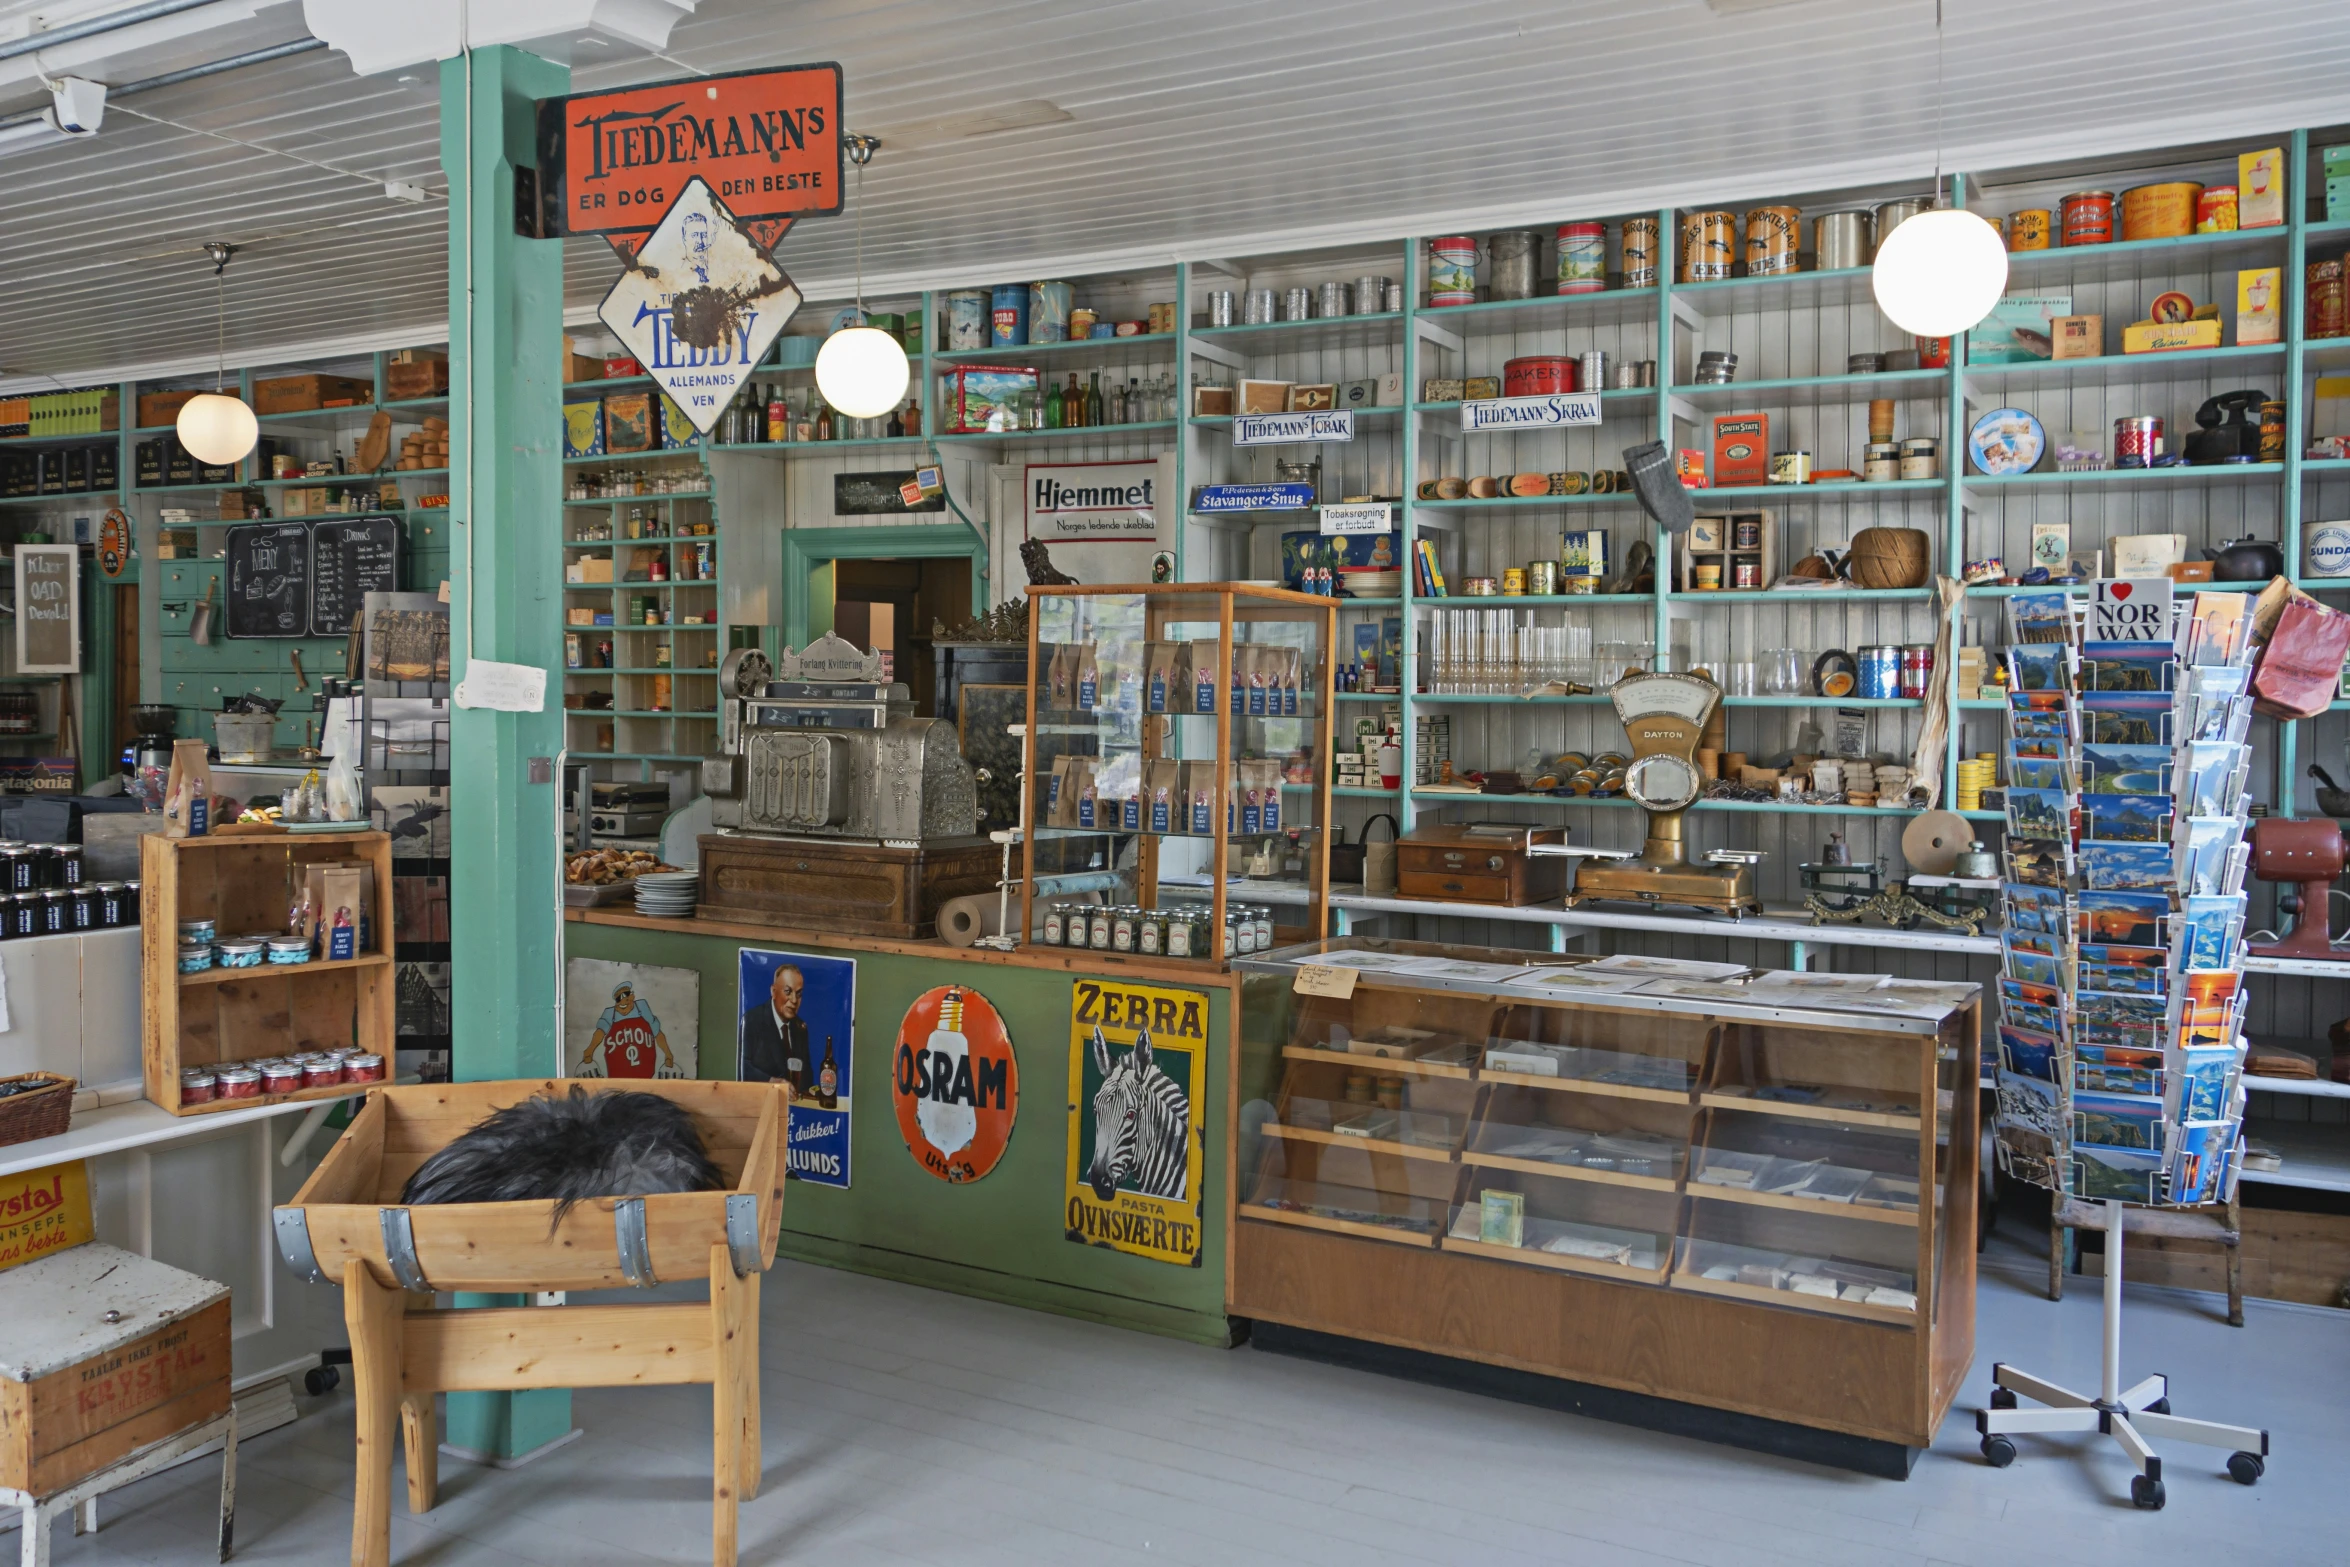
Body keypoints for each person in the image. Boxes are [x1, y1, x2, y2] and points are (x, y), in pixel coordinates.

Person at [581, 981, 676, 1079]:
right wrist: (589, 1051)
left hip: (645, 1073)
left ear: (632, 996)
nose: (623, 1000)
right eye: (618, 998)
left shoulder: (642, 1007)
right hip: (618, 1075)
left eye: (626, 994)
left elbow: (657, 1033)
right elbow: (599, 1033)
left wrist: (668, 1054)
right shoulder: (610, 1013)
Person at [741, 961, 811, 1092]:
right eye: (788, 991)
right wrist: (771, 1081)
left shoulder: (800, 1027)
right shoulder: (752, 1020)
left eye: (799, 994)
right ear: (773, 992)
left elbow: (807, 1077)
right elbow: (742, 1066)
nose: (794, 1000)